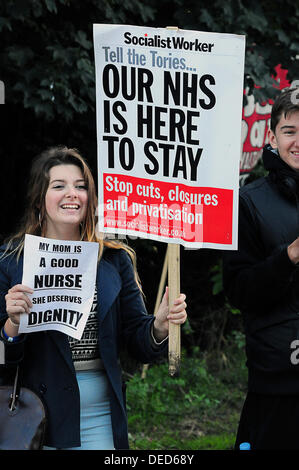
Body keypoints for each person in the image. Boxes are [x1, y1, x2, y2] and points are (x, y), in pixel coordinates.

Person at [0, 145, 187, 450]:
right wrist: (12, 324)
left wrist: (160, 327)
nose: (72, 193)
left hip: (102, 416)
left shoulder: (113, 260)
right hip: (36, 418)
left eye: (81, 186)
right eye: (59, 186)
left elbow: (138, 341)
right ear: (38, 199)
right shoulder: (10, 262)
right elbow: (3, 359)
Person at [223, 86, 299, 450]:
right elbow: (239, 292)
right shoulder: (249, 203)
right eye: (290, 131)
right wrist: (289, 257)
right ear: (272, 136)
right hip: (278, 383)